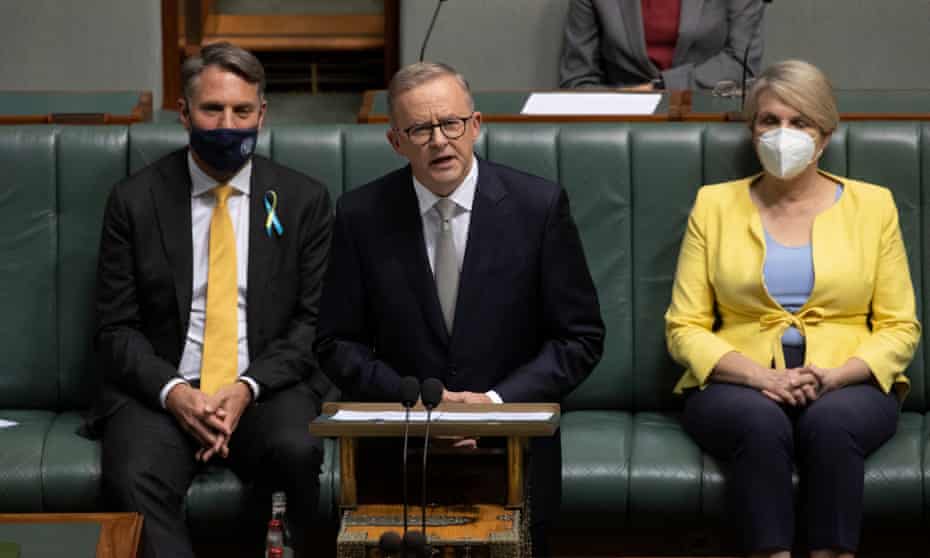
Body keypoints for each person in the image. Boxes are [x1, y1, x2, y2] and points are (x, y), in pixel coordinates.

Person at [314, 62, 605, 556]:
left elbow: (580, 339)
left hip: (515, 444)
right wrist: (416, 409)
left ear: (475, 125)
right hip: (399, 447)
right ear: (395, 141)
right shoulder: (360, 214)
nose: (439, 141)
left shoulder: (538, 207)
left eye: (450, 123)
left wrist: (493, 406)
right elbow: (336, 343)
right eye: (420, 129)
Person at [665, 59, 920, 558]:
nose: (783, 134)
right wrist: (761, 377)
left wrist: (837, 376)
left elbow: (899, 326)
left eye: (800, 122)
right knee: (760, 424)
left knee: (832, 425)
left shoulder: (874, 206)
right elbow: (684, 327)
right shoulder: (713, 205)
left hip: (849, 379)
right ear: (752, 130)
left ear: (825, 135)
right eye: (770, 120)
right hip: (737, 380)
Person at [90, 42, 333, 558]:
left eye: (242, 111)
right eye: (212, 109)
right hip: (163, 391)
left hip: (263, 388)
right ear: (183, 113)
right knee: (131, 475)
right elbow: (115, 329)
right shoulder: (134, 201)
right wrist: (176, 393)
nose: (228, 125)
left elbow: (312, 324)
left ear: (262, 114)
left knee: (295, 449)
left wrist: (245, 388)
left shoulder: (303, 200)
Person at [559, 0, 765, 90]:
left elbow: (741, 63)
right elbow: (578, 80)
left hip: (708, 115)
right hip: (621, 125)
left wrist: (660, 88)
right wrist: (624, 104)